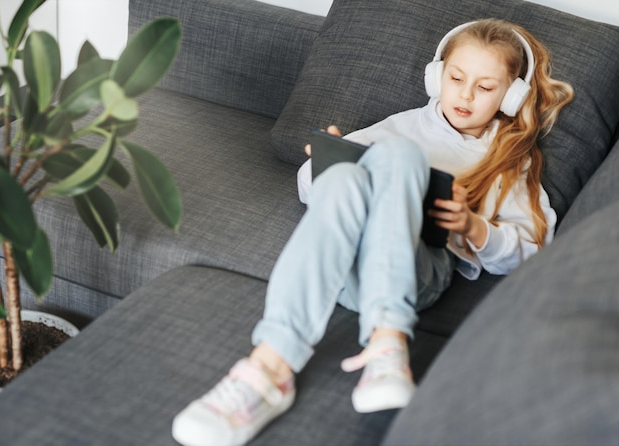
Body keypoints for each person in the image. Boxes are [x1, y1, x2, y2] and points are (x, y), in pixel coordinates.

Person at [172, 18, 574, 446]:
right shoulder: (402, 125)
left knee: (400, 158)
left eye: (486, 87)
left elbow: (537, 249)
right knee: (355, 174)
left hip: (415, 273)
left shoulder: (508, 161)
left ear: (511, 96)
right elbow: (313, 192)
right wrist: (323, 163)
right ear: (437, 77)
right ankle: (269, 369)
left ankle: (387, 340)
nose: (466, 94)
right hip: (340, 268)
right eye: (456, 78)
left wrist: (474, 228)